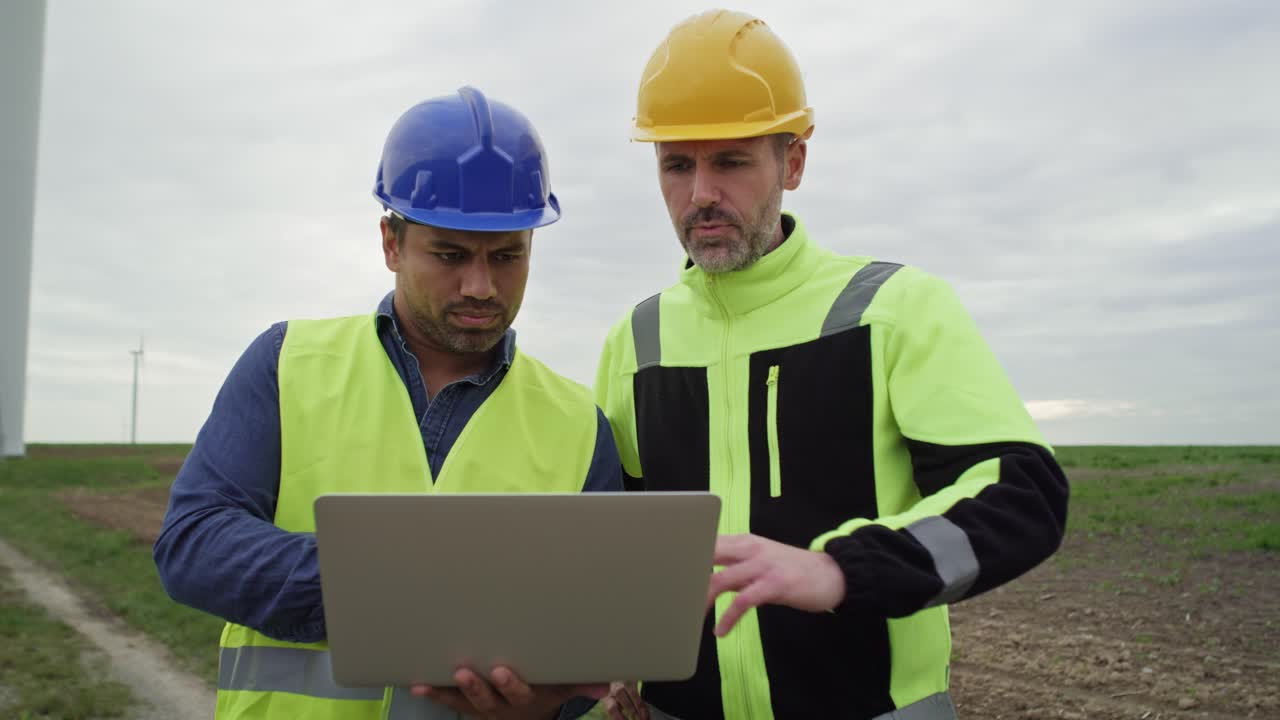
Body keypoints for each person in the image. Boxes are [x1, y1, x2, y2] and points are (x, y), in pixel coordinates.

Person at [592, 10, 1070, 720]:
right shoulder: (638, 338)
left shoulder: (893, 308)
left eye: (729, 160)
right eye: (676, 164)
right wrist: (608, 658)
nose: (700, 195)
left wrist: (840, 569)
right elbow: (615, 539)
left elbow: (1020, 494)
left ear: (793, 162)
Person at [155, 86, 619, 720]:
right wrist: (383, 585)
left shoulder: (578, 425)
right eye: (451, 255)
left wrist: (544, 707)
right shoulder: (286, 362)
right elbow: (193, 542)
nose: (481, 285)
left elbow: (593, 638)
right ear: (391, 243)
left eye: (507, 256)